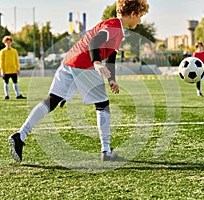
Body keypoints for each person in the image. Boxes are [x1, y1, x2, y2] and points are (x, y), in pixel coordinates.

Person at [8, 0, 149, 162]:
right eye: (140, 16)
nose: (140, 20)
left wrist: (111, 79)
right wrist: (96, 62)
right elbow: (95, 41)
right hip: (84, 64)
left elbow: (111, 57)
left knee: (52, 100)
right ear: (132, 14)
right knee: (102, 105)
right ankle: (106, 151)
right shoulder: (114, 26)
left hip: (70, 60)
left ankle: (20, 135)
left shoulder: (116, 28)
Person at [0, 35, 26, 100]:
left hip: (13, 70)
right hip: (6, 70)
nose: (8, 44)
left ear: (11, 43)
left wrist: (18, 68)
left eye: (9, 42)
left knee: (15, 82)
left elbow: (16, 60)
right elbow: (1, 61)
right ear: (4, 43)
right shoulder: (3, 51)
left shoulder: (14, 51)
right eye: (6, 42)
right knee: (6, 82)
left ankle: (18, 94)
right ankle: (7, 95)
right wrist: (2, 70)